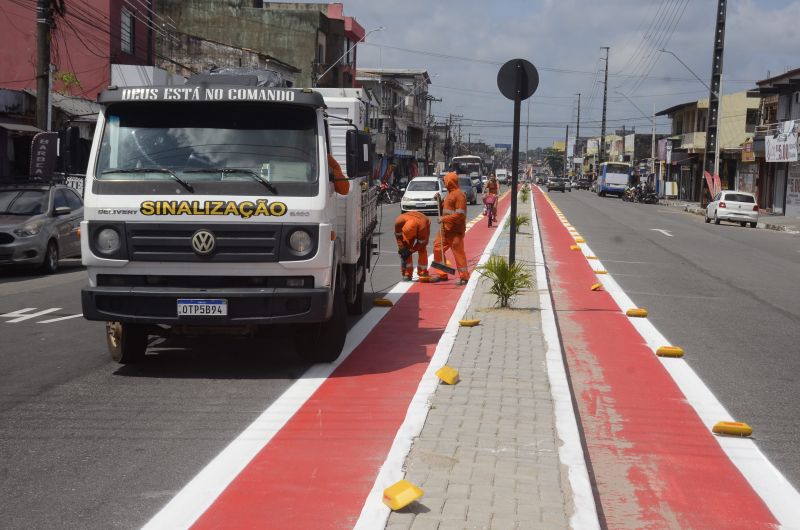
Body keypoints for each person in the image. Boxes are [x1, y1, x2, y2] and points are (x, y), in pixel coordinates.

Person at [432, 172, 470, 284]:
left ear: (450, 181)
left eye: (445, 180)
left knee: (458, 253)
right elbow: (445, 209)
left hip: (455, 230)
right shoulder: (449, 193)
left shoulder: (459, 195)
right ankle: (442, 273)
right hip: (444, 230)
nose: (444, 182)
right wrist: (438, 201)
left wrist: (444, 219)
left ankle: (464, 277)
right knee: (437, 249)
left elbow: (460, 215)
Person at [394, 210, 430, 281]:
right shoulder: (399, 222)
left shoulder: (422, 227)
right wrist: (402, 248)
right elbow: (398, 237)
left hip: (423, 221)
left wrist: (410, 251)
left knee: (422, 249)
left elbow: (421, 243)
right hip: (413, 220)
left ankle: (423, 272)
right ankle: (407, 273)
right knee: (406, 248)